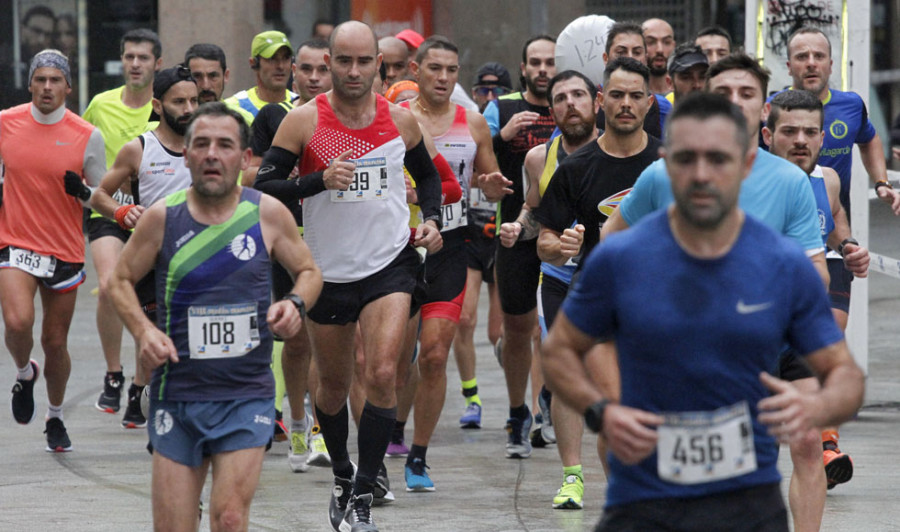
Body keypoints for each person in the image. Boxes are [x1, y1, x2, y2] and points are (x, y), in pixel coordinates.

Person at [543, 91, 865, 531]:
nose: (701, 174)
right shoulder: (622, 259)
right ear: (664, 164)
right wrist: (602, 410)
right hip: (643, 505)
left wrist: (818, 406)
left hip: (747, 507)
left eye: (717, 159)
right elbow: (559, 351)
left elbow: (845, 376)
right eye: (686, 158)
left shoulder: (782, 266)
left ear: (746, 164)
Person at [602, 51, 830, 532]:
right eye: (723, 93)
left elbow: (816, 271)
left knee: (808, 441)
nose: (735, 103)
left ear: (763, 108)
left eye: (746, 94)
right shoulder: (665, 175)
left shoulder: (791, 180)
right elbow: (612, 239)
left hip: (781, 333)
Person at [257, 21, 444, 531]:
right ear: (327, 64)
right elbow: (264, 184)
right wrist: (317, 180)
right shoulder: (302, 121)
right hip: (327, 272)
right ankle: (342, 474)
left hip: (390, 263)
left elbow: (428, 177)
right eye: (344, 61)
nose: (354, 71)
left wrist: (430, 220)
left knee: (383, 372)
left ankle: (363, 492)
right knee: (334, 386)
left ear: (379, 66)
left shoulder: (402, 121)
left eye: (364, 62)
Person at [107, 101, 322, 532]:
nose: (211, 154)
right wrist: (144, 331)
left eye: (224, 145)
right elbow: (118, 280)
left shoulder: (266, 213)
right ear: (186, 155)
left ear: (244, 159)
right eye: (201, 144)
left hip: (245, 394)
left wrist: (294, 304)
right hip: (179, 392)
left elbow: (309, 272)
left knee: (228, 517)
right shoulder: (162, 218)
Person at [531, 58, 661, 511]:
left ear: (649, 102)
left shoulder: (669, 164)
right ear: (602, 101)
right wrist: (560, 246)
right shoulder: (577, 166)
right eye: (617, 95)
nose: (626, 105)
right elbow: (544, 241)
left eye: (635, 96)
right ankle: (585, 480)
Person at [777, 25, 900, 478]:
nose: (811, 63)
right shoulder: (770, 111)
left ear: (832, 64)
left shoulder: (851, 106)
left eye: (819, 56)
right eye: (801, 56)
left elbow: (868, 138)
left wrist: (881, 181)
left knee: (824, 340)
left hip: (829, 242)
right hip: (775, 252)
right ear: (788, 65)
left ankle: (825, 444)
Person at [763, 90, 870, 529]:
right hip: (746, 332)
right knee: (750, 451)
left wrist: (845, 246)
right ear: (768, 135)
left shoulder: (826, 179)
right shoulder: (741, 182)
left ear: (823, 137)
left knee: (808, 443)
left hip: (801, 331)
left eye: (810, 132)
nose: (801, 140)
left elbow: (834, 216)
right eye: (790, 131)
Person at [402, 35, 501, 490]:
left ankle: (418, 457)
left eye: (451, 70)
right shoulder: (396, 120)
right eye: (435, 68)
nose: (443, 78)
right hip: (396, 246)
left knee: (435, 354)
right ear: (416, 71)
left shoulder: (473, 123)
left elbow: (485, 179)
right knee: (392, 359)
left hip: (451, 244)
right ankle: (386, 437)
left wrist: (492, 186)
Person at [501, 67, 603, 505]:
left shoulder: (621, 151)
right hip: (561, 276)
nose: (569, 105)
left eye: (578, 95)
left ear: (596, 101)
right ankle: (572, 476)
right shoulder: (538, 159)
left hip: (614, 278)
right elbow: (535, 215)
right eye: (560, 98)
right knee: (565, 376)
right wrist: (516, 230)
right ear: (551, 109)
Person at [1, 50, 106, 452]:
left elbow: (102, 194)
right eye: (40, 80)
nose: (47, 87)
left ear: (68, 86)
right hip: (15, 241)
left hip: (63, 249)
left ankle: (56, 415)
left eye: (55, 80)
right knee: (16, 321)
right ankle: (24, 372)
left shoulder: (85, 134)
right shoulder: (6, 123)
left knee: (56, 342)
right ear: (30, 84)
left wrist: (83, 192)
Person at [247, 40, 333, 473]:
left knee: (327, 342)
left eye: (323, 69)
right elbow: (263, 181)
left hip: (337, 240)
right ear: (294, 73)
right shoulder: (274, 117)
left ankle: (319, 430)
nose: (315, 77)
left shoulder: (354, 121)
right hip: (289, 240)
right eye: (307, 69)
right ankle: (296, 420)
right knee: (298, 342)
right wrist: (315, 181)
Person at [483, 34, 557, 459]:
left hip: (565, 237)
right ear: (524, 67)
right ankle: (517, 413)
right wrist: (501, 136)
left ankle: (546, 401)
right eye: (536, 62)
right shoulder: (503, 108)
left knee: (553, 331)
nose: (544, 69)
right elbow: (477, 159)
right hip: (514, 232)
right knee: (517, 332)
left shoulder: (574, 104)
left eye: (551, 61)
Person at [82, 28, 162, 424]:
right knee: (111, 285)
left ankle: (139, 386)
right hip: (109, 210)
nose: (135, 64)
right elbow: (81, 150)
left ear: (156, 64)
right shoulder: (100, 104)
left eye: (143, 58)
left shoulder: (165, 107)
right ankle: (113, 375)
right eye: (129, 56)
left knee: (148, 302)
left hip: (152, 216)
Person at [598, 21, 664, 139]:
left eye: (637, 52)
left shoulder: (661, 107)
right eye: (621, 52)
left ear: (646, 58)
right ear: (605, 58)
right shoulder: (586, 102)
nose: (630, 57)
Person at [224, 31, 295, 122]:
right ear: (253, 63)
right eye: (272, 58)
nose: (280, 66)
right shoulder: (232, 108)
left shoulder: (302, 105)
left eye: (286, 58)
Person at [641, 18, 675, 95]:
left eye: (666, 42)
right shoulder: (630, 95)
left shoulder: (684, 93)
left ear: (674, 46)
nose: (660, 50)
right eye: (651, 42)